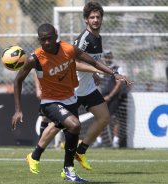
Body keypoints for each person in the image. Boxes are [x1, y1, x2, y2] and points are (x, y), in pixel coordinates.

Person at [11, 23, 131, 182]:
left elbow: (92, 62)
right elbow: (18, 80)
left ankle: (59, 167)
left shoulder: (68, 49)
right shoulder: (35, 58)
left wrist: (113, 73)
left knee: (71, 132)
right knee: (74, 125)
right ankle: (62, 165)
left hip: (70, 98)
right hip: (50, 102)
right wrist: (18, 109)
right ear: (39, 40)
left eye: (49, 39)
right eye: (43, 40)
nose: (46, 42)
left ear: (56, 36)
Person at [73, 1, 123, 170]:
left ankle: (80, 152)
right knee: (59, 126)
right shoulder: (84, 39)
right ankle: (35, 154)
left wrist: (93, 74)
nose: (95, 20)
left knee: (104, 117)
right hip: (72, 88)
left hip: (87, 89)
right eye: (92, 17)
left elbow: (87, 61)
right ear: (86, 20)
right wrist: (94, 69)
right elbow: (73, 63)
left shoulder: (97, 38)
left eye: (98, 17)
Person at [96, 50, 128, 148]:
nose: (107, 58)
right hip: (102, 97)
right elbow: (96, 82)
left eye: (109, 56)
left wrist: (110, 96)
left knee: (115, 119)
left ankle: (116, 141)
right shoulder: (100, 68)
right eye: (106, 56)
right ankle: (99, 140)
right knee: (99, 118)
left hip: (114, 98)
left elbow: (119, 83)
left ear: (112, 56)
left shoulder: (118, 68)